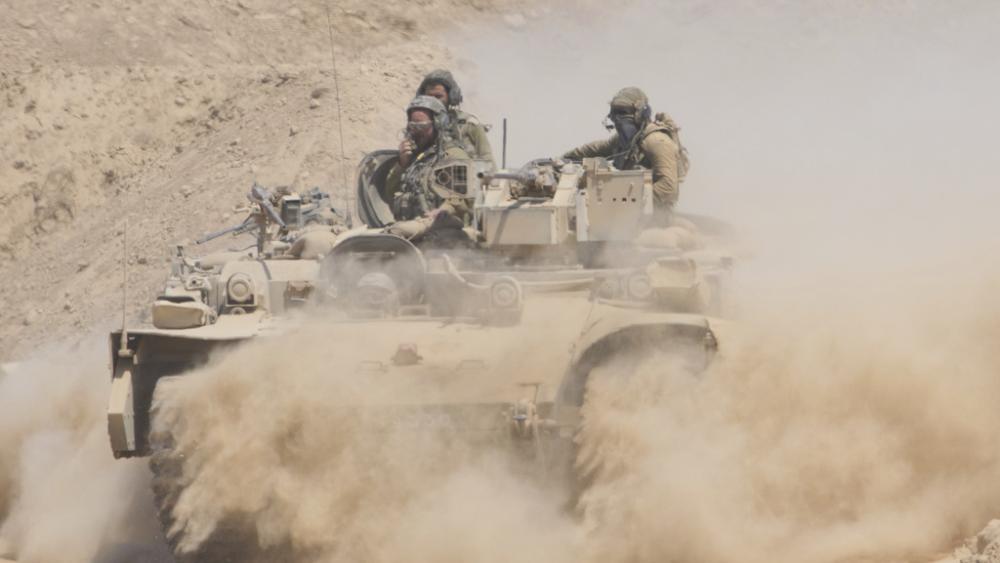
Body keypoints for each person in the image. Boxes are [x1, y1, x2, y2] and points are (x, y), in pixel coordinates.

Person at [562, 87, 689, 215]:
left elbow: (668, 188)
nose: (618, 121)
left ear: (640, 115)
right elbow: (596, 149)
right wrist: (563, 159)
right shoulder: (628, 140)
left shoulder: (657, 142)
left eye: (622, 114)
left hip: (655, 216)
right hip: (627, 212)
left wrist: (624, 206)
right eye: (615, 115)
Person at [385, 95, 472, 239]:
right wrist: (402, 164)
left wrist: (443, 210)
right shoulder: (414, 158)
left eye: (422, 126)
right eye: (413, 126)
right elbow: (389, 195)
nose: (416, 131)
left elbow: (461, 200)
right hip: (412, 228)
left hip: (443, 229)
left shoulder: (450, 156)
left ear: (438, 124)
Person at [416, 69, 495, 165]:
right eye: (429, 97)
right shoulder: (418, 126)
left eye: (438, 96)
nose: (433, 102)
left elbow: (488, 162)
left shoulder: (469, 124)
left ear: (451, 97)